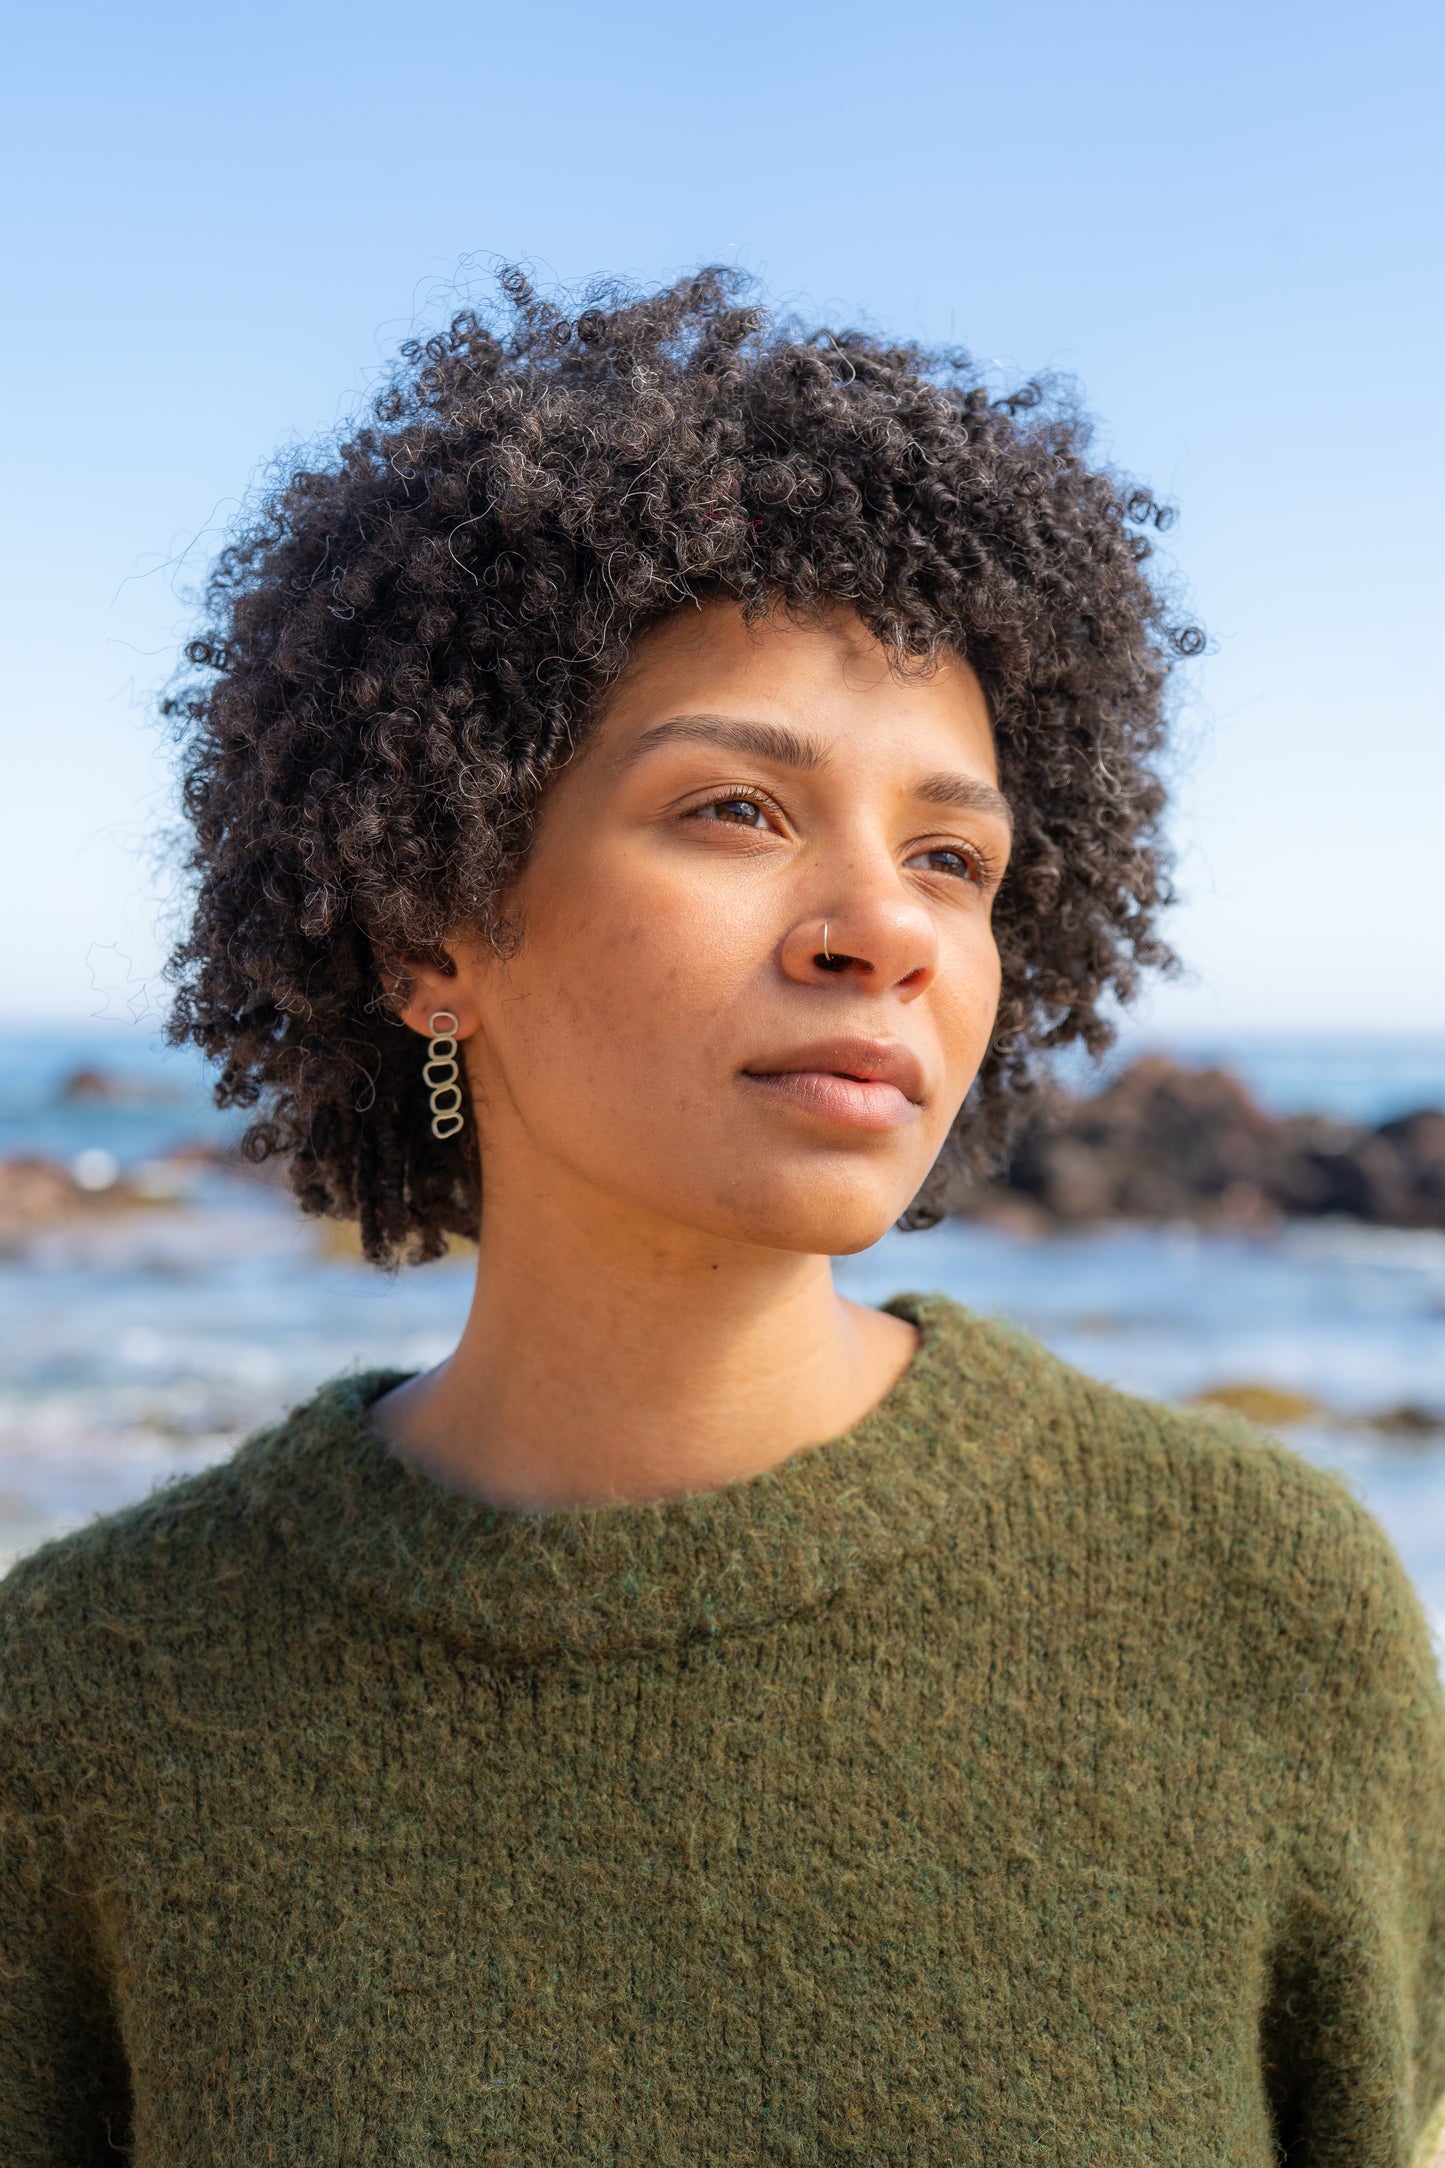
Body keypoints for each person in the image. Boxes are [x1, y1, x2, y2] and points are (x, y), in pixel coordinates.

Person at [2, 269, 1442, 2166]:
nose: (887, 927)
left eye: (954, 856)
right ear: (434, 920)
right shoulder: (90, 1700)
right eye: (736, 811)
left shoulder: (1266, 1606)